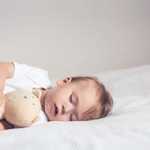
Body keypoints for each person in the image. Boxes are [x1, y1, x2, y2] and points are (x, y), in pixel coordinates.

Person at [0, 62, 113, 130]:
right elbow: (3, 68)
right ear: (64, 82)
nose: (66, 109)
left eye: (72, 118)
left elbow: (7, 126)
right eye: (71, 99)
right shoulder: (38, 76)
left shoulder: (39, 122)